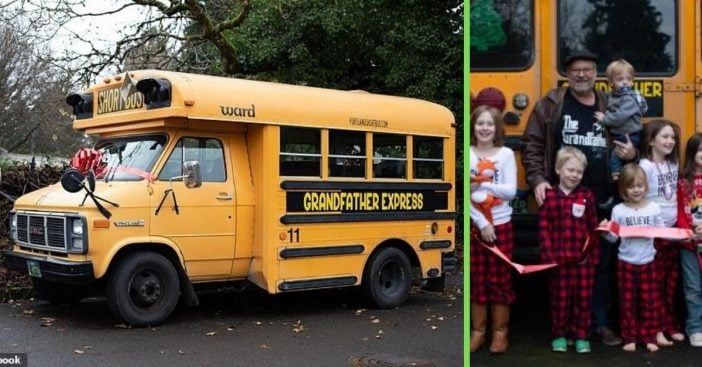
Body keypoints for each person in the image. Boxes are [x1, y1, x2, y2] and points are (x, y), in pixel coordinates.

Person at [522, 50, 637, 346]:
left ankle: (597, 325)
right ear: (567, 74)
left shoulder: (610, 103)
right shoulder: (550, 105)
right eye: (576, 70)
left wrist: (632, 154)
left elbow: (631, 136)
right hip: (561, 201)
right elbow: (533, 144)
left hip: (603, 200)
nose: (582, 74)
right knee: (561, 266)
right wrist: (537, 179)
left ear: (596, 73)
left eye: (587, 69)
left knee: (600, 267)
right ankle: (561, 328)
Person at [538, 147, 599, 353]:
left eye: (579, 172)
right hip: (558, 262)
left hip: (583, 262)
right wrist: (548, 257)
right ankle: (560, 335)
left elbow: (593, 227)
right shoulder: (550, 196)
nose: (574, 175)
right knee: (560, 300)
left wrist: (593, 256)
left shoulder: (586, 196)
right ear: (558, 169)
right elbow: (544, 228)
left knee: (583, 299)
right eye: (570, 170)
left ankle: (581, 335)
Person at [468, 105, 517, 354]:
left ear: (497, 128)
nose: (485, 128)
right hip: (478, 227)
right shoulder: (467, 154)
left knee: (500, 280)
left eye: (490, 124)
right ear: (473, 126)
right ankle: (477, 332)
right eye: (480, 123)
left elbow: (510, 191)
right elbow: (464, 198)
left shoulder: (506, 154)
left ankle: (500, 333)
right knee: (478, 280)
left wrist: (481, 185)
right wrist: (481, 222)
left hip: (502, 226)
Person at [602, 164, 663, 352]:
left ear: (646, 186)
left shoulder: (654, 208)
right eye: (631, 186)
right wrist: (605, 230)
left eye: (640, 185)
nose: (636, 190)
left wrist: (683, 233)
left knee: (649, 302)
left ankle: (648, 337)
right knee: (627, 302)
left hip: (648, 262)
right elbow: (613, 238)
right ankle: (630, 337)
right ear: (623, 190)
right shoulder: (619, 210)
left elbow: (662, 231)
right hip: (626, 263)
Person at [638, 119, 684, 346]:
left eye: (672, 138)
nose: (670, 141)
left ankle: (668, 324)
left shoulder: (673, 164)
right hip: (654, 233)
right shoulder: (645, 166)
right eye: (665, 137)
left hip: (673, 232)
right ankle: (654, 329)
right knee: (653, 284)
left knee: (669, 283)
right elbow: (640, 197)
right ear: (651, 140)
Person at [594, 59, 647, 181]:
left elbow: (619, 117)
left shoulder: (629, 98)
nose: (625, 83)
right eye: (620, 79)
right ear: (611, 82)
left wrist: (604, 119)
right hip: (619, 133)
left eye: (628, 79)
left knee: (616, 154)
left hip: (629, 134)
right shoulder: (612, 95)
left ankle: (616, 172)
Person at [676, 132, 702, 347]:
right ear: (692, 153)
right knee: (692, 287)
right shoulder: (683, 182)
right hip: (688, 244)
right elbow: (680, 213)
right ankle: (695, 327)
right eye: (700, 150)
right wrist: (689, 233)